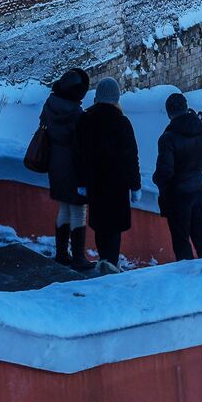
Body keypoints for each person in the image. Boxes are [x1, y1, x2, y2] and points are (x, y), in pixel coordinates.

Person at [75, 78, 141, 274]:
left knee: (101, 226)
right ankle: (110, 265)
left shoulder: (85, 120)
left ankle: (104, 260)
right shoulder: (122, 122)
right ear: (116, 97)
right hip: (117, 185)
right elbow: (131, 157)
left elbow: (78, 155)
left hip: (95, 183)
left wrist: (81, 182)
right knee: (113, 229)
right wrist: (135, 186)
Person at [153, 87, 202, 261]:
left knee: (181, 239)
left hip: (178, 194)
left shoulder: (168, 138)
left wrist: (159, 179)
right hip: (199, 188)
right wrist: (195, 169)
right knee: (200, 235)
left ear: (169, 113)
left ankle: (188, 277)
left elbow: (165, 172)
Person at [41, 68, 94, 270]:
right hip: (73, 167)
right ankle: (79, 257)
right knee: (79, 210)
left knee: (63, 207)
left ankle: (62, 253)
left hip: (55, 164)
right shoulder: (77, 114)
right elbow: (81, 148)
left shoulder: (50, 104)